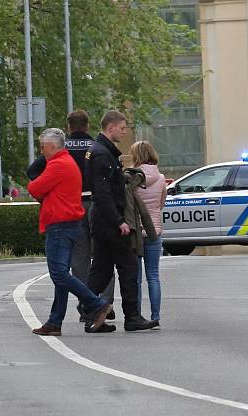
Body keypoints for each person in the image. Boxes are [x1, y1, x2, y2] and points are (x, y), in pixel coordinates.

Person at [26, 110, 116, 321]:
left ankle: (89, 305)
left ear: (68, 127)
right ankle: (105, 301)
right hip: (96, 203)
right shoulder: (96, 146)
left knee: (78, 260)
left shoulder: (59, 152)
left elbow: (32, 173)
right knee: (102, 256)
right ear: (87, 125)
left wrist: (48, 193)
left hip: (70, 207)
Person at [85, 110, 157, 332]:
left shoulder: (100, 151)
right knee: (128, 267)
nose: (125, 132)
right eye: (123, 128)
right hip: (110, 222)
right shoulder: (101, 154)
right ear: (111, 127)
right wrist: (119, 221)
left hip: (103, 220)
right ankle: (132, 316)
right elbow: (103, 192)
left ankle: (90, 313)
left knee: (102, 270)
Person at [131, 141, 166, 325]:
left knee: (135, 277)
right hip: (154, 231)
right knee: (153, 275)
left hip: (136, 232)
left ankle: (136, 315)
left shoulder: (131, 178)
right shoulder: (160, 178)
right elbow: (161, 204)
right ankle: (156, 316)